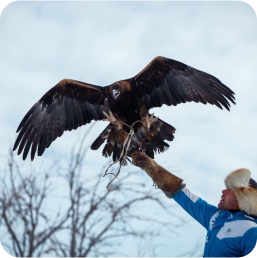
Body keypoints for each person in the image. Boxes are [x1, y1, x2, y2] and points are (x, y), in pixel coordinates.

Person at [131, 152, 257, 257]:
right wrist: (152, 168)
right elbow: (183, 195)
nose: (223, 191)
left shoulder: (251, 230)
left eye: (230, 189)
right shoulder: (215, 217)